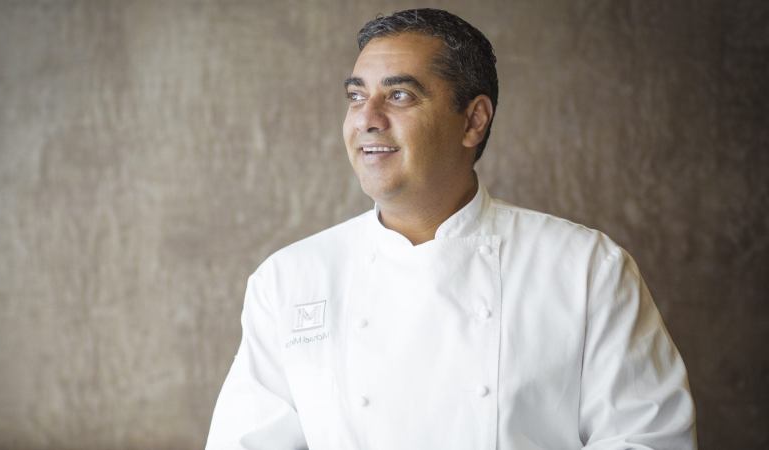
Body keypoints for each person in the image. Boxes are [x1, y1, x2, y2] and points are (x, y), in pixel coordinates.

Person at [206, 8, 696, 450]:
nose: (367, 119)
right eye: (356, 96)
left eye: (399, 95)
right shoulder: (289, 279)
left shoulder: (587, 269)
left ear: (473, 121)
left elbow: (647, 440)